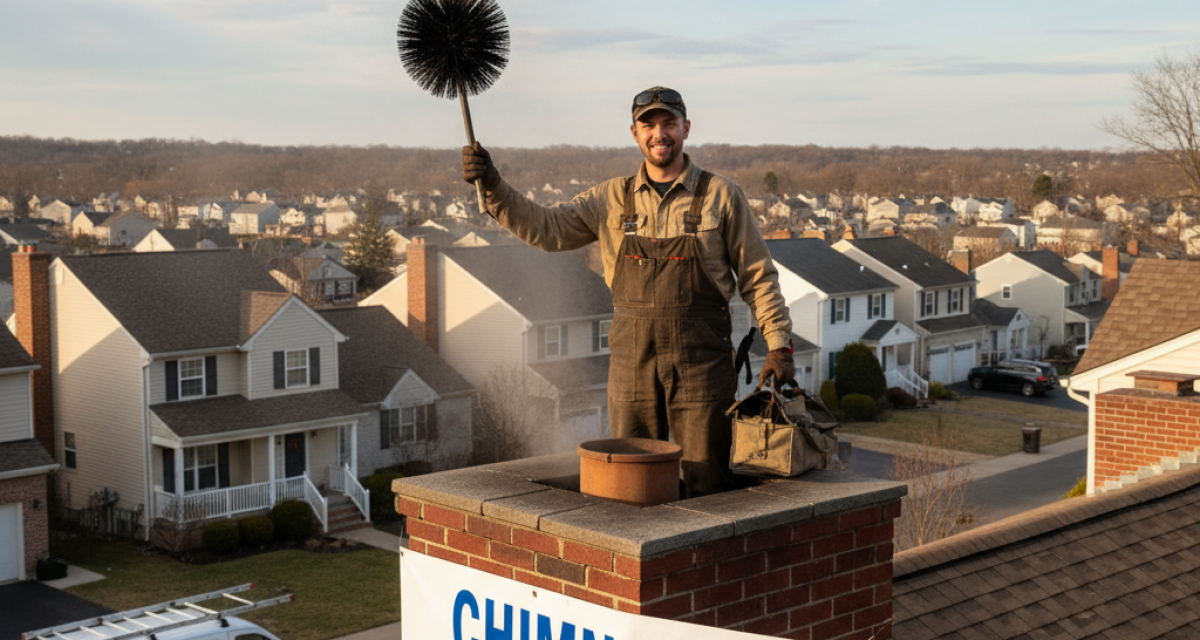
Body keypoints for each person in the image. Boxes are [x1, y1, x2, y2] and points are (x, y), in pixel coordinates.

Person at [462, 86, 794, 495]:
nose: (660, 133)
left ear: (685, 128)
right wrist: (492, 185)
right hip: (631, 359)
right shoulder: (610, 199)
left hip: (701, 362)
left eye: (668, 123)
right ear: (634, 133)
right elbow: (547, 230)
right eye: (648, 125)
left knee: (707, 479)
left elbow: (759, 277)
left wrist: (779, 345)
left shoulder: (722, 196)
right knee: (632, 482)